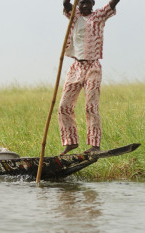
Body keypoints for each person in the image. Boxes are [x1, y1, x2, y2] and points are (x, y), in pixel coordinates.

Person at [58, 0, 120, 155]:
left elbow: (112, 4)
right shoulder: (74, 16)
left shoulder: (99, 16)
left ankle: (95, 145)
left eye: (88, 2)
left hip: (92, 66)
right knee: (63, 107)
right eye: (82, 2)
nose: (85, 5)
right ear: (78, 4)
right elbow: (66, 4)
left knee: (91, 107)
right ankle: (71, 142)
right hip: (76, 67)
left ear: (93, 3)